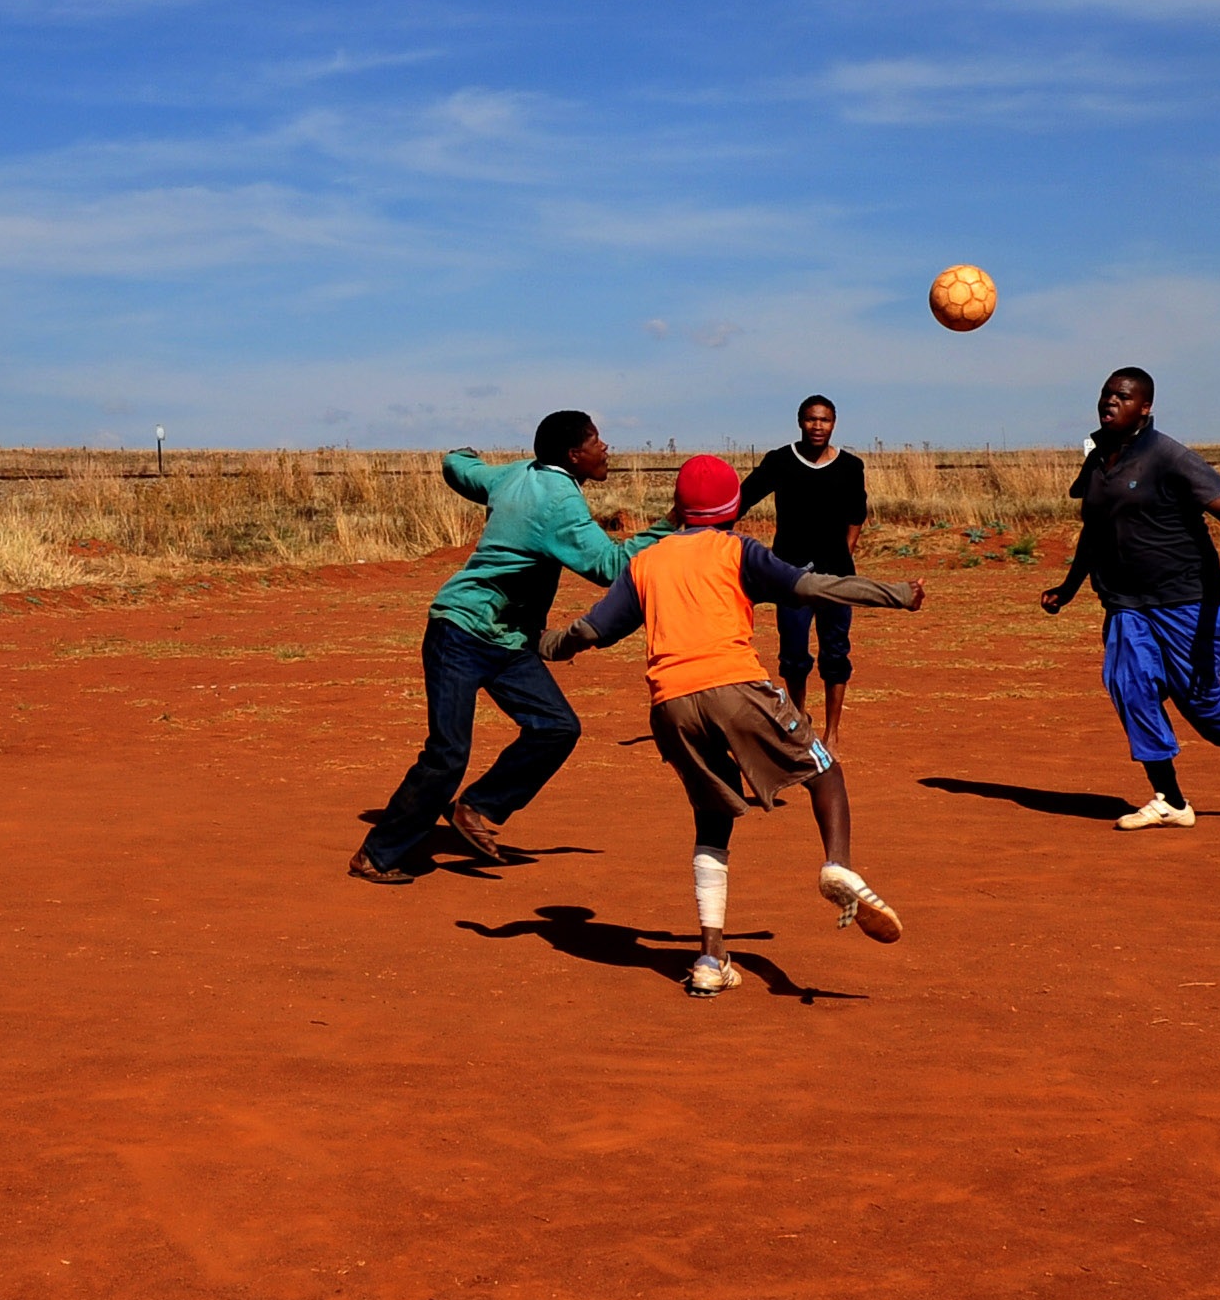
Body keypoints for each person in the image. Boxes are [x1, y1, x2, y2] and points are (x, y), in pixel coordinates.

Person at [539, 454, 922, 992]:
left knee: (711, 819)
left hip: (669, 706)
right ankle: (838, 865)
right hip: (734, 687)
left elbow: (592, 630)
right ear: (732, 508)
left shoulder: (646, 562)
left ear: (678, 507)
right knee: (824, 771)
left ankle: (710, 962)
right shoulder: (736, 550)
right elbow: (812, 589)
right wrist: (896, 594)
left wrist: (546, 646)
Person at [347, 410, 656, 883]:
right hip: (461, 631)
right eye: (597, 440)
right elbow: (611, 566)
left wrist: (460, 453)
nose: (605, 447)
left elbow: (460, 468)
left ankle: (475, 807)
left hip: (507, 640)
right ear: (575, 455)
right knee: (447, 753)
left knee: (556, 728)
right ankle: (377, 854)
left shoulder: (515, 473)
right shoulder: (559, 501)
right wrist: (673, 525)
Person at [1038, 367, 1220, 828]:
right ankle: (1171, 799)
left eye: (1122, 396)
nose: (1110, 402)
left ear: (1145, 407)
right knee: (1130, 687)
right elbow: (1094, 530)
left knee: (1199, 697)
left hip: (1187, 598)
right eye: (1106, 395)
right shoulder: (1097, 457)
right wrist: (1069, 587)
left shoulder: (1167, 455)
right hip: (1125, 602)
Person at [735, 395, 871, 747]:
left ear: (834, 424)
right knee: (793, 654)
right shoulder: (780, 462)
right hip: (790, 576)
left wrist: (844, 558)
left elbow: (857, 516)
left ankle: (832, 733)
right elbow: (742, 499)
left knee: (836, 653)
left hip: (837, 578)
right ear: (800, 422)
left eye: (824, 420)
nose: (817, 426)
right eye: (811, 419)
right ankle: (798, 723)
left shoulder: (850, 467)